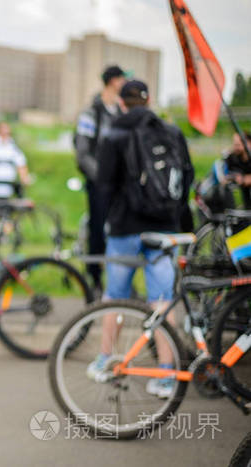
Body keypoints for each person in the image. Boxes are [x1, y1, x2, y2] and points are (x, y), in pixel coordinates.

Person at [88, 80, 194, 398]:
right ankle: (165, 374)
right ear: (148, 101)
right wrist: (181, 223)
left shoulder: (114, 134)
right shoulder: (172, 132)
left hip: (124, 229)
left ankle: (106, 359)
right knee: (161, 298)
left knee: (115, 296)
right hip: (164, 227)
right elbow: (185, 177)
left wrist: (98, 233)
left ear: (122, 103)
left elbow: (103, 188)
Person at [74, 65, 127, 294]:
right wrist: (102, 178)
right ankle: (94, 280)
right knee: (97, 232)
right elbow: (82, 152)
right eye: (122, 79)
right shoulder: (90, 113)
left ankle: (120, 283)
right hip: (99, 185)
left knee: (122, 232)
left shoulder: (121, 113)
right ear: (113, 81)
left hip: (122, 186)